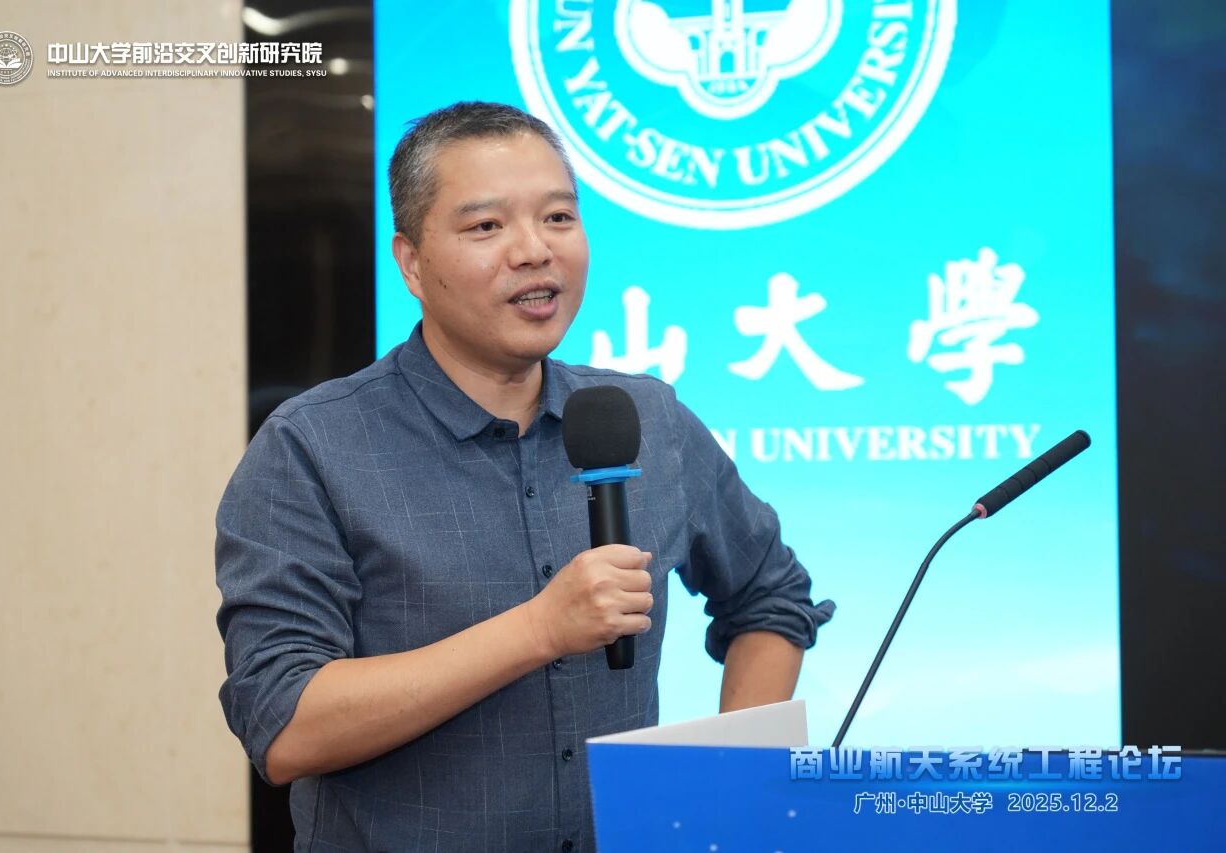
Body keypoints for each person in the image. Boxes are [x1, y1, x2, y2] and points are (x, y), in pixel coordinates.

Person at [215, 101, 834, 852]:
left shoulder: (647, 419)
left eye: (558, 218)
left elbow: (772, 596)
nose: (535, 251)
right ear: (411, 262)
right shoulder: (312, 446)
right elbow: (284, 724)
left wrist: (728, 788)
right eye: (486, 226)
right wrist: (540, 629)